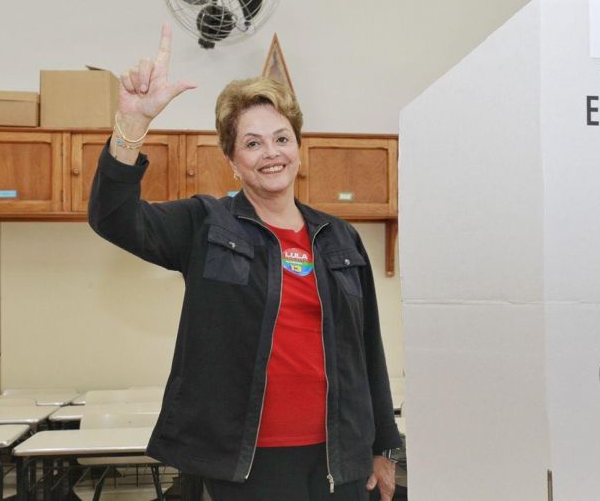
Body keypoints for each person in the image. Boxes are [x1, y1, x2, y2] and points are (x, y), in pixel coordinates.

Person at [88, 24, 401, 501]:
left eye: (281, 139)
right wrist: (131, 126)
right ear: (232, 161)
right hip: (247, 464)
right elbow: (113, 218)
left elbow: (367, 349)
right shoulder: (206, 225)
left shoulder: (340, 238)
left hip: (340, 458)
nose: (271, 153)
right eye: (253, 143)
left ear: (298, 148)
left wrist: (383, 446)